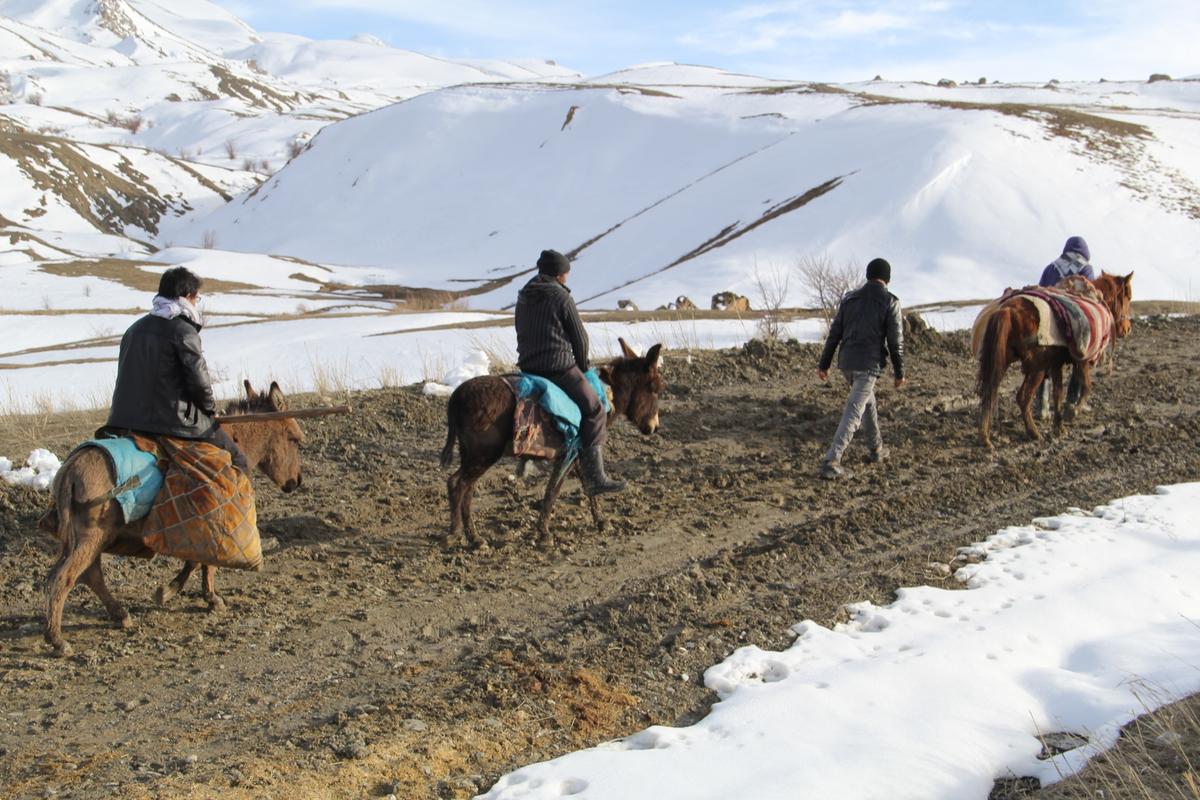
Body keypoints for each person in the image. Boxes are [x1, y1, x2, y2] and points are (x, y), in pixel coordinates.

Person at [105, 266, 248, 472]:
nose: (196, 304)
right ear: (187, 297)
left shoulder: (133, 330)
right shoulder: (184, 332)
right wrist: (208, 410)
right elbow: (199, 383)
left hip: (122, 419)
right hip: (172, 423)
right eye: (196, 299)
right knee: (237, 461)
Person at [514, 249, 624, 495]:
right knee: (594, 408)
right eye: (566, 273)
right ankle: (596, 477)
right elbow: (580, 338)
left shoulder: (524, 295)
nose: (567, 278)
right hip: (558, 368)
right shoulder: (561, 297)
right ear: (559, 274)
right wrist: (584, 368)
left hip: (528, 366)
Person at [816, 257, 906, 480]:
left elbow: (834, 333)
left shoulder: (849, 299)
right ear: (887, 279)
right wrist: (899, 372)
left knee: (868, 403)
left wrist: (824, 364)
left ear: (868, 275)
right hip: (868, 364)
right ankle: (832, 460)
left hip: (846, 362)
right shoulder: (890, 302)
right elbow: (896, 342)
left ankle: (877, 449)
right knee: (854, 411)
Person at [1035, 235, 1094, 417]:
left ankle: (1042, 405)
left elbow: (1040, 292)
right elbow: (1087, 300)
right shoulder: (1086, 269)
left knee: (1042, 361)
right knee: (1083, 355)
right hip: (1071, 326)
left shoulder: (1051, 267)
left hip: (1047, 322)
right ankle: (1072, 401)